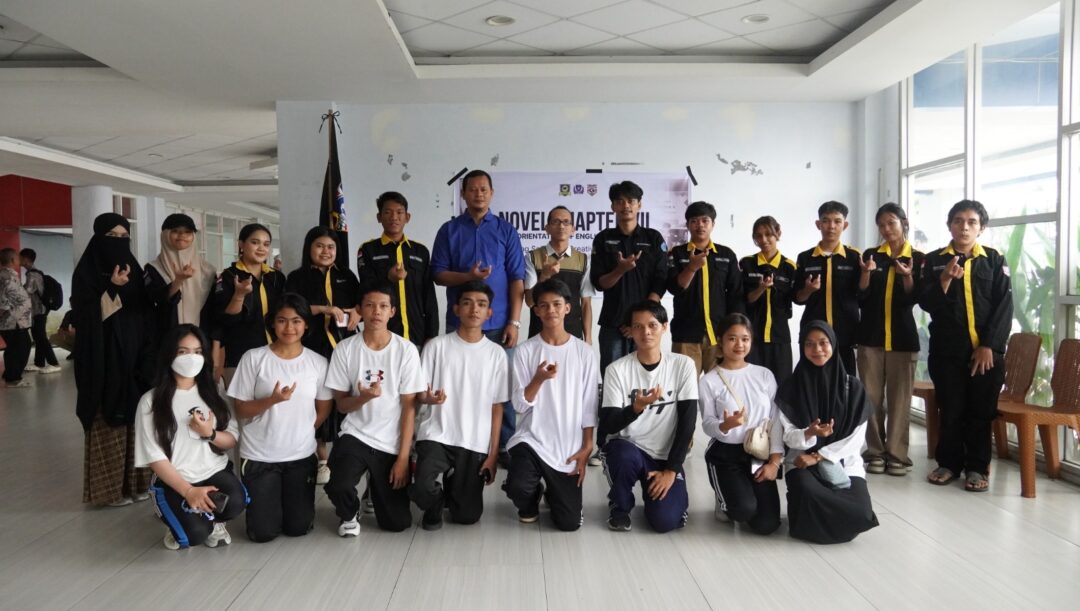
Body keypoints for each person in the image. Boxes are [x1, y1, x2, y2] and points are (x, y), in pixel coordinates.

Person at [919, 200, 1013, 492]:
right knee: (951, 409)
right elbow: (927, 303)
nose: (964, 227)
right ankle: (948, 464)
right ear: (949, 225)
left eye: (972, 222)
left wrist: (989, 346)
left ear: (981, 228)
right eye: (958, 221)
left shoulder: (994, 260)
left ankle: (977, 468)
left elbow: (1004, 306)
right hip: (947, 352)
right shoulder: (933, 260)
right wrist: (945, 278)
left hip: (986, 354)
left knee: (981, 412)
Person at [431, 170, 525, 458]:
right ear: (463, 194)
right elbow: (438, 275)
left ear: (492, 193)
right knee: (456, 383)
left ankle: (504, 445)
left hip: (498, 324)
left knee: (502, 387)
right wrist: (467, 277)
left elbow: (517, 278)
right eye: (472, 189)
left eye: (484, 189)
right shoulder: (449, 230)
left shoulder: (506, 231)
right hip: (459, 323)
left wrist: (514, 321)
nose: (479, 194)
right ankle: (455, 439)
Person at [227, 293, 333, 542]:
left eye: (296, 321)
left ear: (306, 325)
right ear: (272, 323)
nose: (289, 328)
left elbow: (323, 408)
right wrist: (271, 401)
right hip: (260, 457)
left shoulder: (318, 363)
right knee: (263, 533)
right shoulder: (253, 358)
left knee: (298, 527)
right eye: (282, 320)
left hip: (300, 456)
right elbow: (240, 410)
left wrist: (304, 430)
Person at [324, 285, 425, 535]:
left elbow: (409, 408)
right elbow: (342, 404)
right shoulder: (345, 349)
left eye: (383, 306)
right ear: (359, 310)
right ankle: (350, 513)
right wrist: (363, 398)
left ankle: (374, 487)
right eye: (369, 305)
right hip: (356, 434)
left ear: (392, 311)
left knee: (397, 524)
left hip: (390, 441)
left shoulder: (406, 350)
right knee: (338, 485)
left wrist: (403, 458)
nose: (376, 312)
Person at [135, 324, 245, 550]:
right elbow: (154, 456)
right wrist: (188, 491)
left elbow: (231, 439)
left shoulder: (215, 392)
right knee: (193, 535)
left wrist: (209, 434)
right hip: (176, 479)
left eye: (197, 351)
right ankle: (180, 519)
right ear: (169, 355)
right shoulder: (150, 401)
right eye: (183, 351)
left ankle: (212, 520)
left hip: (213, 471)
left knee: (236, 502)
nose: (191, 358)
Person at [72, 213, 154, 506]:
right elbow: (85, 316)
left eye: (124, 237)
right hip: (103, 361)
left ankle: (138, 484)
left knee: (137, 421)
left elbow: (147, 312)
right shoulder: (86, 273)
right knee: (108, 420)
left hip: (134, 360)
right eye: (112, 236)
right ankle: (108, 492)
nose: (119, 242)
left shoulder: (134, 270)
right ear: (98, 238)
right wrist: (113, 287)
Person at [410, 281, 506, 530]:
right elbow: (420, 394)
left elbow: (497, 407)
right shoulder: (436, 346)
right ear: (456, 309)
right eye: (467, 303)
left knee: (467, 516)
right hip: (437, 433)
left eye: (481, 304)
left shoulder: (496, 354)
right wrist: (429, 399)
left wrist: (493, 454)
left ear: (489, 312)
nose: (474, 309)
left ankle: (455, 481)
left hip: (473, 440)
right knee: (422, 488)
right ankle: (434, 504)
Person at [505, 279, 598, 530]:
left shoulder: (584, 352)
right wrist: (538, 379)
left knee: (569, 524)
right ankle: (529, 500)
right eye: (544, 305)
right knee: (518, 486)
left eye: (557, 304)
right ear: (536, 310)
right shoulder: (525, 351)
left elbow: (589, 404)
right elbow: (519, 406)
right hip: (532, 439)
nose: (551, 311)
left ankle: (552, 492)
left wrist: (587, 446)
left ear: (568, 308)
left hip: (567, 446)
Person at [599, 300, 697, 533]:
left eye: (652, 325)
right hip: (630, 448)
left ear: (664, 327)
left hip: (665, 456)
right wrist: (636, 408)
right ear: (630, 331)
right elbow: (609, 424)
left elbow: (688, 422)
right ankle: (620, 507)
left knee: (665, 522)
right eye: (638, 326)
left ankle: (661, 498)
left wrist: (671, 470)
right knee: (621, 454)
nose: (646, 332)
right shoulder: (617, 369)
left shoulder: (683, 365)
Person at [777, 321, 878, 544]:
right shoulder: (791, 388)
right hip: (801, 461)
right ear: (802, 347)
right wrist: (808, 433)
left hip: (843, 462)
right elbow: (788, 435)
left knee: (862, 513)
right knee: (806, 490)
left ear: (833, 344)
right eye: (809, 344)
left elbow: (856, 438)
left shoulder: (853, 387)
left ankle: (822, 519)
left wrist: (819, 456)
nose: (817, 349)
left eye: (823, 343)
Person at [286, 226, 361, 484]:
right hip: (311, 345)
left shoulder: (347, 276)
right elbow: (290, 308)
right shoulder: (297, 277)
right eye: (319, 246)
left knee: (343, 398)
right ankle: (321, 459)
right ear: (309, 248)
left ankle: (343, 455)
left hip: (344, 346)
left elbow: (361, 303)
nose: (326, 251)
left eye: (331, 247)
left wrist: (357, 312)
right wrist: (322, 309)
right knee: (314, 399)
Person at [699, 313, 783, 535]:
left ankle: (740, 491)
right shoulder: (709, 380)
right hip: (726, 454)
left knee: (767, 525)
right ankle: (725, 498)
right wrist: (725, 425)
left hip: (758, 452)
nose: (739, 344)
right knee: (742, 511)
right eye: (732, 338)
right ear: (720, 340)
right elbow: (707, 424)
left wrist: (774, 463)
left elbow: (776, 420)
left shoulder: (764, 375)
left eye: (745, 339)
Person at [857, 204, 925, 477]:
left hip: (903, 338)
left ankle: (897, 455)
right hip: (870, 337)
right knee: (871, 398)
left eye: (891, 223)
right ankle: (875, 452)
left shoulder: (918, 258)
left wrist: (907, 277)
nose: (886, 229)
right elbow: (861, 296)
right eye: (882, 225)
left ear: (903, 223)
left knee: (899, 401)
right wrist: (866, 273)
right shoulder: (871, 255)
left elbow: (915, 298)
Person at [590, 180, 668, 378]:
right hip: (613, 323)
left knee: (647, 378)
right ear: (613, 206)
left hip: (647, 326)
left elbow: (661, 279)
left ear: (639, 204)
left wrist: (638, 322)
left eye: (631, 201)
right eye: (620, 201)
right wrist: (620, 270)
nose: (626, 205)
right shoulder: (603, 238)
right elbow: (599, 283)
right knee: (612, 378)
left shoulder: (653, 238)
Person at [667, 201, 744, 376]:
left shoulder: (726, 255)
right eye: (694, 221)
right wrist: (691, 267)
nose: (700, 225)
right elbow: (674, 288)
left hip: (718, 335)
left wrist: (734, 330)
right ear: (687, 225)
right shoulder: (677, 253)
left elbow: (736, 294)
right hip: (685, 334)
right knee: (685, 387)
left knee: (721, 385)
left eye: (705, 220)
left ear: (713, 224)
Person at [357, 191, 439, 348]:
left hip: (417, 334)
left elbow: (429, 295)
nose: (394, 217)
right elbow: (365, 288)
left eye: (399, 212)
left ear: (407, 217)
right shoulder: (368, 249)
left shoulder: (420, 251)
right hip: (382, 335)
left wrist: (432, 334)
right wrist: (388, 278)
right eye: (388, 212)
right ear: (379, 217)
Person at [209, 223, 286, 383]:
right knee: (242, 399)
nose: (261, 248)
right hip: (240, 355)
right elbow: (224, 321)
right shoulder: (229, 276)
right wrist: (239, 295)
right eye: (255, 242)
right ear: (241, 244)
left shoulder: (276, 277)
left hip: (276, 352)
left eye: (266, 244)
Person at [793, 201, 862, 375]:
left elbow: (863, 293)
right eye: (826, 220)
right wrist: (808, 290)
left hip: (846, 332)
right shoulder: (805, 257)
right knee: (812, 380)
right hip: (813, 331)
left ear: (845, 225)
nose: (831, 226)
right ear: (818, 224)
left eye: (837, 221)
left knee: (845, 382)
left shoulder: (855, 257)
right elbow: (797, 298)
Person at [523, 205, 595, 344]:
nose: (561, 226)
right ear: (547, 228)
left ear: (573, 229)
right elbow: (529, 301)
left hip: (573, 336)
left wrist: (588, 338)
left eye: (566, 222)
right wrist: (544, 276)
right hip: (539, 336)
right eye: (556, 222)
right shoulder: (533, 257)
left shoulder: (583, 260)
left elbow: (586, 303)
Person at [740, 216, 797, 386]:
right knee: (752, 386)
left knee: (782, 385)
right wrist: (761, 288)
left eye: (768, 234)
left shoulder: (789, 266)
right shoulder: (746, 263)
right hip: (753, 337)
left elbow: (797, 298)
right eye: (758, 236)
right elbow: (745, 299)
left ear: (778, 233)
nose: (763, 240)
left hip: (780, 337)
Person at [19, 248, 61, 374]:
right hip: (38, 309)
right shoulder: (33, 273)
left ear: (26, 259)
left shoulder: (32, 274)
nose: (17, 260)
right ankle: (39, 363)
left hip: (40, 309)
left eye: (19, 257)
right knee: (37, 335)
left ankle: (54, 363)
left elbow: (26, 291)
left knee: (41, 336)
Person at [0, 248, 33, 388]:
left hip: (16, 321)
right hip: (13, 321)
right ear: (13, 260)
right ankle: (13, 378)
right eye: (18, 258)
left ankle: (10, 374)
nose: (20, 260)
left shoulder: (8, 275)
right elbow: (3, 301)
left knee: (15, 348)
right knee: (21, 348)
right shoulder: (6, 277)